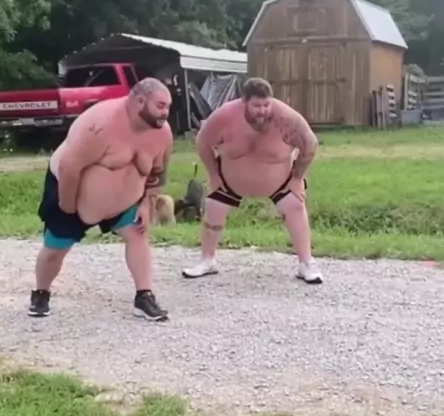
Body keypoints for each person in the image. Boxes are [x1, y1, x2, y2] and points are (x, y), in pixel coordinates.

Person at [29, 77, 173, 321]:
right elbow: (69, 167)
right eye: (160, 106)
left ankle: (144, 296)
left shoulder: (162, 134)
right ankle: (41, 293)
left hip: (125, 202)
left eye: (168, 106)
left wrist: (146, 204)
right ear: (140, 101)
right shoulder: (100, 123)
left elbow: (158, 173)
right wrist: (67, 208)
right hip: (71, 194)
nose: (165, 113)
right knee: (55, 248)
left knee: (137, 235)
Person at [182, 77, 323, 284]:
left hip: (280, 181)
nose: (262, 111)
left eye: (267, 105)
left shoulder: (287, 120)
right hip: (229, 180)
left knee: (295, 205)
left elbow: (310, 145)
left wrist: (297, 178)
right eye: (257, 106)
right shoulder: (223, 117)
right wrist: (213, 175)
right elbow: (203, 143)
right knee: (214, 206)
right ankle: (207, 260)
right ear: (244, 101)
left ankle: (306, 263)